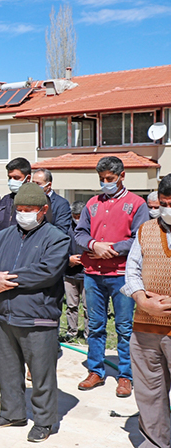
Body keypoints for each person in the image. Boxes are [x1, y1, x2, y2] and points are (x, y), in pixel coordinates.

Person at [0, 183, 69, 443]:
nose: (23, 214)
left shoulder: (56, 237)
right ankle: (12, 413)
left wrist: (7, 279)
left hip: (38, 316)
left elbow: (47, 271)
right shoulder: (5, 235)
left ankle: (44, 420)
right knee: (7, 370)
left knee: (41, 373)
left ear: (43, 210)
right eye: (19, 209)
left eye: (29, 209)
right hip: (6, 316)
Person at [75, 156, 149, 398]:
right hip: (93, 275)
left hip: (122, 276)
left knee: (125, 327)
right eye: (102, 179)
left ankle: (126, 376)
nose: (105, 183)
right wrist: (94, 245)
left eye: (110, 179)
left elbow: (140, 237)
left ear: (122, 176)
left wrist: (113, 248)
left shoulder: (137, 204)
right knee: (95, 325)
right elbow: (79, 234)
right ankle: (95, 370)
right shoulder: (92, 204)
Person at [120, 174, 171, 448]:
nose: (166, 210)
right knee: (150, 388)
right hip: (145, 324)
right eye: (163, 204)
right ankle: (154, 445)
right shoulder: (145, 230)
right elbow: (132, 270)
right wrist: (140, 298)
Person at [0, 157, 32, 248]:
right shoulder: (5, 200)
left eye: (16, 177)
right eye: (10, 177)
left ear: (28, 178)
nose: (12, 181)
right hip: (1, 253)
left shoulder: (36, 201)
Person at [63, 201, 88, 342]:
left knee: (88, 307)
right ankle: (71, 332)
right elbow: (60, 249)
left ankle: (88, 334)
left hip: (87, 274)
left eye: (79, 215)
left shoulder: (91, 227)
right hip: (70, 273)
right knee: (71, 305)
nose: (77, 218)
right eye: (75, 215)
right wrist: (68, 259)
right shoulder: (66, 228)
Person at [31, 168, 72, 233]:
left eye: (38, 184)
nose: (34, 186)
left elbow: (62, 229)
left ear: (49, 185)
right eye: (33, 183)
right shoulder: (29, 200)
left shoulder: (61, 204)